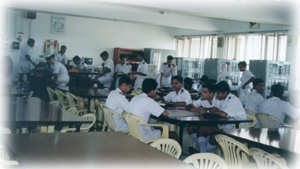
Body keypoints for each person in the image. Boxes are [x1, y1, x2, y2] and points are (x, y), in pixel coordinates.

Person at [190, 84, 220, 152]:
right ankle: (203, 151)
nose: (202, 94)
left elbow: (215, 110)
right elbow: (190, 106)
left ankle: (202, 152)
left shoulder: (218, 99)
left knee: (202, 130)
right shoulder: (202, 99)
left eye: (205, 92)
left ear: (212, 94)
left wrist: (205, 110)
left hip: (220, 124)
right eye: (202, 92)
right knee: (190, 128)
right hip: (207, 123)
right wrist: (197, 110)